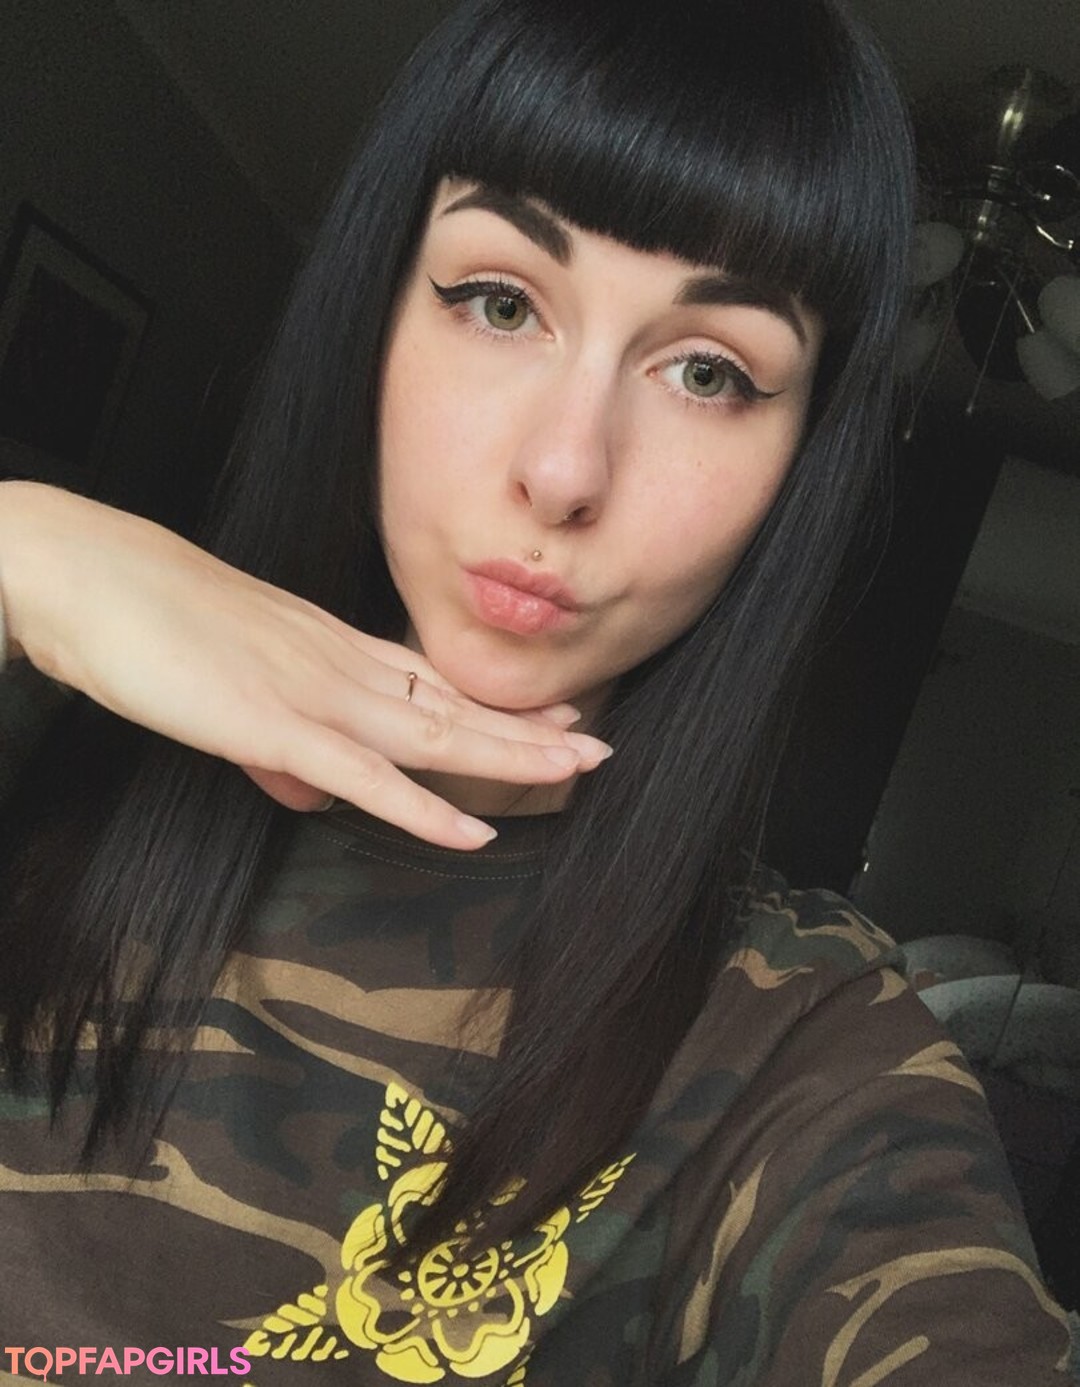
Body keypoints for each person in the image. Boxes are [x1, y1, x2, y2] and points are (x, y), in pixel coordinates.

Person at [0, 1, 1073, 1383]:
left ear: (798, 467)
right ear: (377, 308)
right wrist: (18, 553)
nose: (565, 470)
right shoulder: (47, 739)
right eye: (500, 302)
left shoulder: (799, 1041)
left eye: (708, 372)